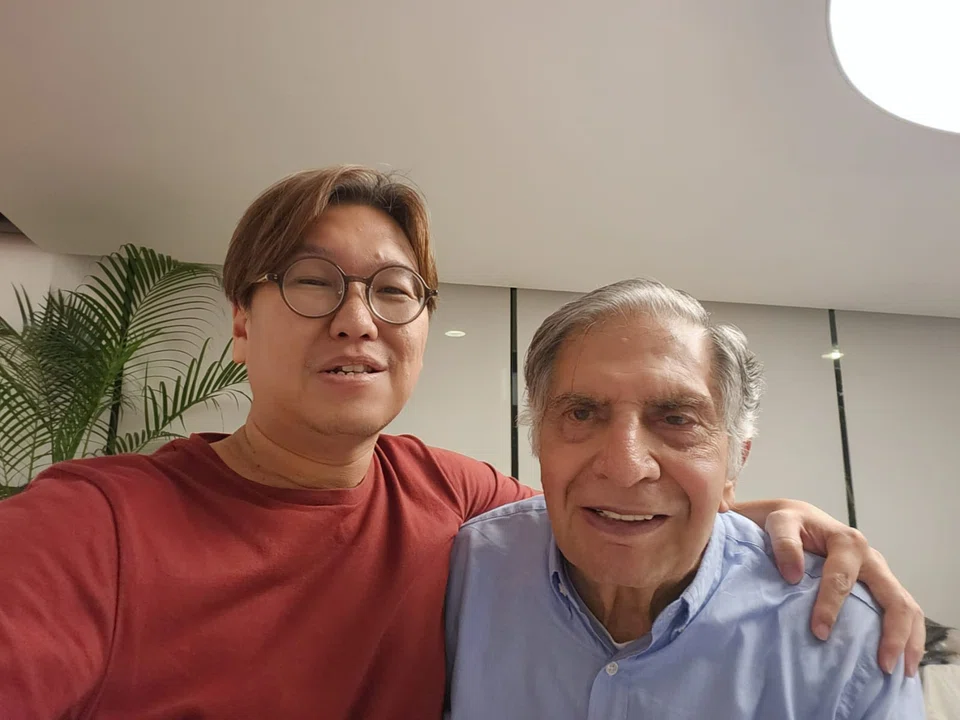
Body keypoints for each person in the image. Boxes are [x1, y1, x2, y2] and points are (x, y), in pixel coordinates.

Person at [0, 167, 923, 719]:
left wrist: (746, 513)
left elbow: (605, 505)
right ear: (241, 323)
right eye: (313, 282)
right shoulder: (89, 528)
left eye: (393, 290)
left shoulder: (450, 500)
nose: (357, 319)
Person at [444, 278, 926, 719]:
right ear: (538, 443)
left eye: (677, 419)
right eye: (582, 413)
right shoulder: (463, 574)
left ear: (735, 462)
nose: (626, 467)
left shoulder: (850, 641)